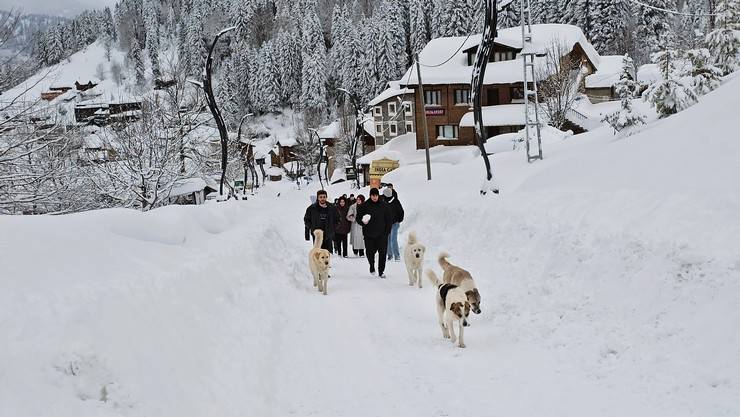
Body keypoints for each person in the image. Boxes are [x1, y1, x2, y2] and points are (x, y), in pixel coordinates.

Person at [356, 188, 393, 278]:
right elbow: (358, 217)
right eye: (373, 195)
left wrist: (387, 232)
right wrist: (362, 222)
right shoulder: (364, 206)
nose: (375, 197)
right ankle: (372, 266)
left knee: (382, 253)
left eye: (376, 195)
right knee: (369, 253)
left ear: (378, 195)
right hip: (369, 234)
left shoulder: (384, 205)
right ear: (370, 195)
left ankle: (381, 271)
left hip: (382, 234)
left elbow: (389, 219)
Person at [383, 186, 404, 262]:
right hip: (386, 224)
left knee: (393, 239)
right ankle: (390, 255)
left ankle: (397, 256)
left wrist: (399, 220)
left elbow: (401, 211)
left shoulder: (395, 201)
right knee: (387, 240)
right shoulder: (383, 201)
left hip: (395, 223)